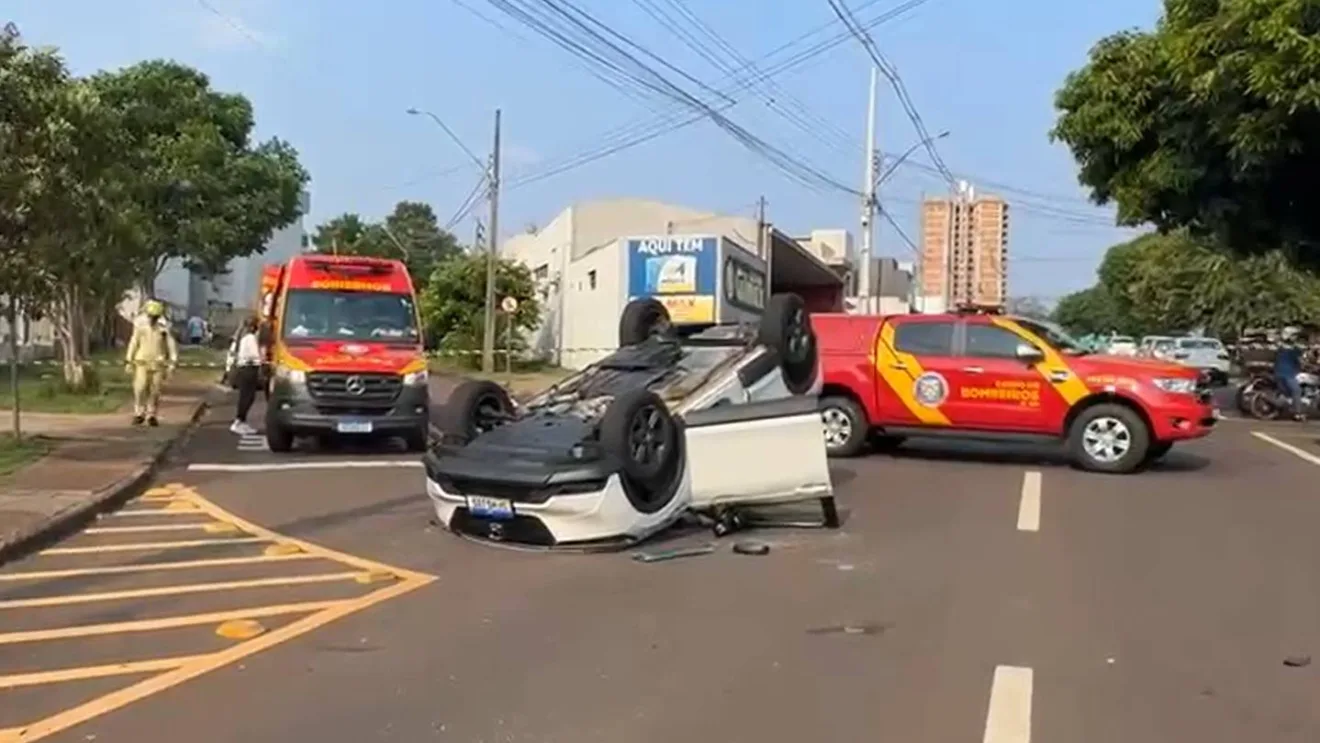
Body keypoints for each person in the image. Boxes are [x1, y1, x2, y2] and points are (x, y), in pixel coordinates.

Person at [125, 300, 178, 427]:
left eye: (155, 317)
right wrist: (128, 360)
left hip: (158, 362)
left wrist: (173, 361)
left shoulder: (163, 328)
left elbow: (171, 344)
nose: (152, 319)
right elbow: (134, 342)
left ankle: (151, 414)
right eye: (150, 316)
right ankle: (139, 413)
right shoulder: (140, 326)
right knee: (140, 388)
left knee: (155, 390)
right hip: (142, 361)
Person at [230, 317, 263, 435]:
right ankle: (239, 421)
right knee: (248, 397)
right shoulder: (251, 338)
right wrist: (263, 361)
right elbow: (256, 355)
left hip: (243, 369)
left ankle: (241, 421)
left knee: (245, 396)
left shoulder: (243, 338)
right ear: (254, 327)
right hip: (249, 369)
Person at [1274, 326, 1305, 421]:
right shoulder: (1294, 349)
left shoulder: (1280, 347)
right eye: (1294, 336)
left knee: (1289, 392)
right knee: (1297, 391)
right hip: (1288, 375)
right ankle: (1297, 414)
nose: (1295, 338)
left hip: (1278, 373)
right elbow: (1301, 361)